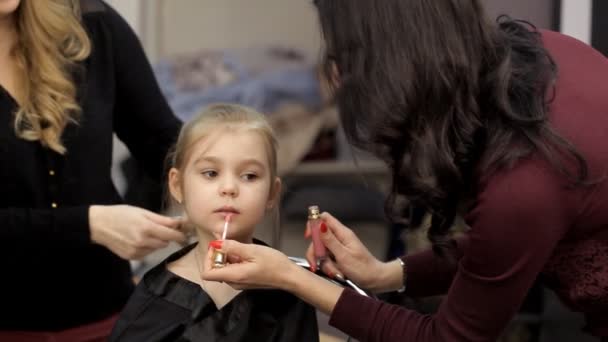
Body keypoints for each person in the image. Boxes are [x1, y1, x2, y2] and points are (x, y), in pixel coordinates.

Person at [201, 1, 608, 341]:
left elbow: (448, 337)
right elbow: (507, 243)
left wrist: (294, 280)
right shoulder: (545, 52)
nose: (341, 77)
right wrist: (384, 275)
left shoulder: (523, 182)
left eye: (347, 58)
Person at [0, 0, 186, 340]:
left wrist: (226, 178)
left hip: (107, 318)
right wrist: (90, 225)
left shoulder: (92, 22)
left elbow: (163, 143)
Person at [109, 104, 319, 342]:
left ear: (272, 193)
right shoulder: (155, 300)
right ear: (178, 186)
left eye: (249, 176)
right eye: (210, 173)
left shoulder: (289, 288)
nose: (229, 188)